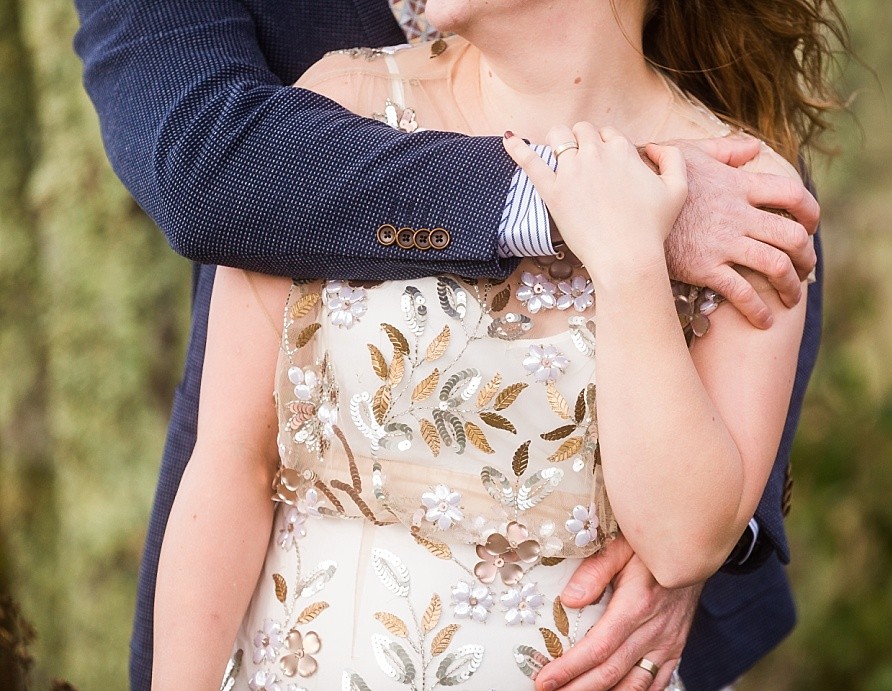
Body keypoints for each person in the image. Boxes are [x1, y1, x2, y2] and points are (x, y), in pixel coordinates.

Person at [72, 2, 828, 690]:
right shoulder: (330, 102)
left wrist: (631, 258)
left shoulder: (738, 181)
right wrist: (569, 196)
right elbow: (234, 456)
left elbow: (686, 533)